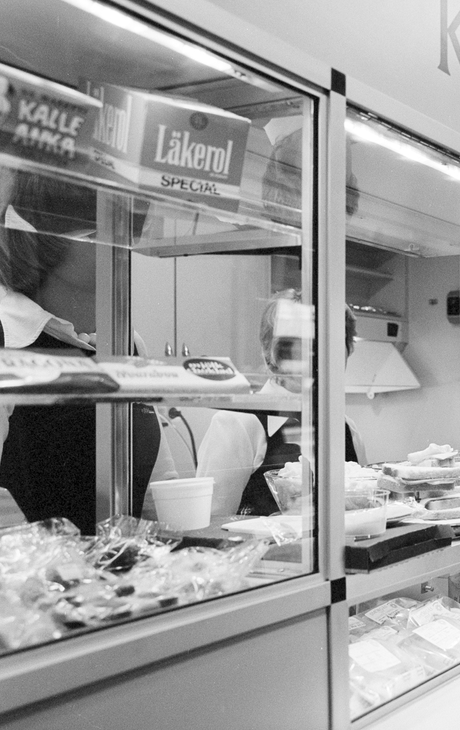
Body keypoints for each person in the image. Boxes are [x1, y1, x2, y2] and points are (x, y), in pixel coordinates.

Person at [0, 171, 160, 531]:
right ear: (45, 240)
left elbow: (157, 491)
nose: (124, 247)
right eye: (100, 230)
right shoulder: (8, 335)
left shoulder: (126, 341)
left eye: (132, 231)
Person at [197, 291, 364, 518]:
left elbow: (366, 510)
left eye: (335, 339)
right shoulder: (239, 423)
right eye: (305, 341)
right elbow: (210, 522)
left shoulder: (346, 428)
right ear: (273, 353)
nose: (322, 352)